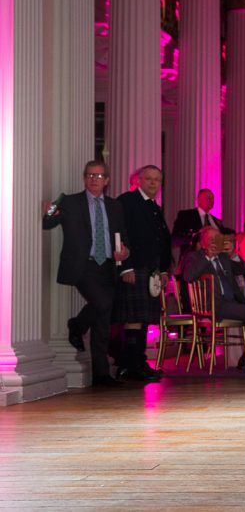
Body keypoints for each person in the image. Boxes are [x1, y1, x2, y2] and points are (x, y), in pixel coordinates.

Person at [42, 160, 131, 387]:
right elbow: (48, 222)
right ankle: (77, 325)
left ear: (107, 181)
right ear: (84, 178)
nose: (94, 179)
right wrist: (49, 210)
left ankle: (101, 374)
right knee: (102, 304)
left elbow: (123, 237)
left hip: (108, 266)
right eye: (90, 175)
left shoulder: (115, 206)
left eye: (99, 176)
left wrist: (125, 252)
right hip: (83, 266)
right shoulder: (70, 201)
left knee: (103, 320)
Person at [114, 165, 171, 382]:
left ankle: (138, 362)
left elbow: (162, 240)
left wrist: (163, 269)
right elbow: (119, 234)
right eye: (149, 179)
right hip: (134, 268)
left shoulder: (154, 207)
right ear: (139, 180)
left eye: (157, 179)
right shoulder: (127, 201)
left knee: (144, 319)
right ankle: (128, 366)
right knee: (133, 318)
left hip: (151, 271)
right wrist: (126, 267)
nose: (153, 183)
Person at [183, 226, 245, 370]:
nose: (215, 243)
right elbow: (188, 276)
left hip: (230, 303)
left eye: (218, 239)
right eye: (212, 239)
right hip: (212, 304)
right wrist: (208, 257)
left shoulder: (224, 257)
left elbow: (243, 269)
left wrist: (233, 254)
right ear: (204, 242)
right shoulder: (195, 256)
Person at [171, 188, 223, 255]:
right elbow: (175, 238)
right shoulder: (186, 215)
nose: (211, 200)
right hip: (193, 260)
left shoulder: (217, 221)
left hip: (215, 261)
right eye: (208, 198)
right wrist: (196, 237)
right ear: (198, 200)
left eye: (213, 198)